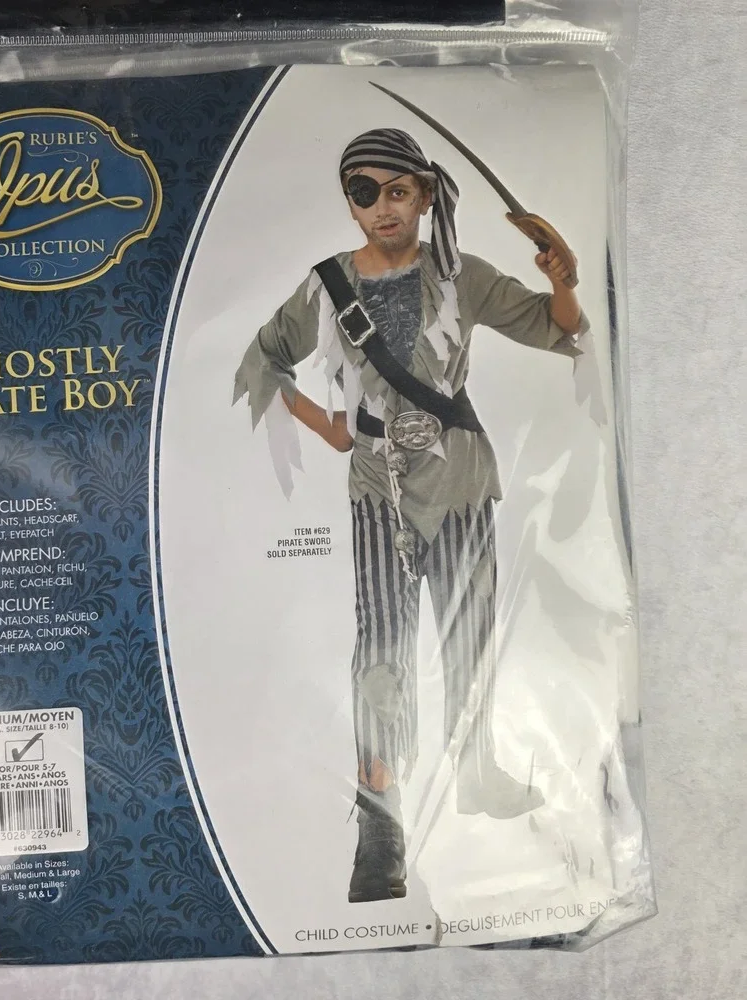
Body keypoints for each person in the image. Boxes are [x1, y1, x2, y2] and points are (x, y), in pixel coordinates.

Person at [233, 128, 587, 904]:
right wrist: (330, 427)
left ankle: (477, 771)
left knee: (472, 629)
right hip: (378, 488)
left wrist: (562, 279)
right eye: (364, 193)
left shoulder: (462, 278)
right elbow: (264, 358)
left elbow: (558, 327)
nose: (382, 207)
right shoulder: (327, 286)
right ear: (349, 204)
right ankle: (382, 818)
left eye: (397, 190)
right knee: (384, 644)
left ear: (425, 196)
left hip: (460, 479)